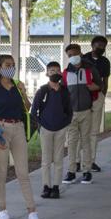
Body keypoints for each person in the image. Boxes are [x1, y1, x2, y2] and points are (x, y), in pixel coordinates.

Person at [0, 54, 40, 219]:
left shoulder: (16, 85)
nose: (11, 67)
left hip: (19, 127)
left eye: (13, 65)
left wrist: (23, 91)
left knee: (23, 172)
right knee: (1, 172)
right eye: (8, 64)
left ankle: (32, 210)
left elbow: (28, 108)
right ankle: (2, 208)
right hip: (1, 129)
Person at [31, 61, 73, 199]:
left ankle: (56, 187)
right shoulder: (42, 90)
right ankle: (46, 186)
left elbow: (69, 110)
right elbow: (34, 111)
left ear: (61, 72)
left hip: (61, 129)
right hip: (46, 129)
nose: (54, 73)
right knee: (46, 159)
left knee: (59, 158)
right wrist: (41, 124)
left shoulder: (65, 90)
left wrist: (65, 123)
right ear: (47, 73)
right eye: (51, 70)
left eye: (57, 70)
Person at [61, 43, 100, 185]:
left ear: (80, 53)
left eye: (75, 54)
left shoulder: (90, 70)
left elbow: (99, 85)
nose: (73, 57)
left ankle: (87, 171)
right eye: (70, 55)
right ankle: (71, 171)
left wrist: (90, 87)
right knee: (71, 142)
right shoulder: (65, 73)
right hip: (71, 113)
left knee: (86, 141)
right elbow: (62, 92)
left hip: (86, 111)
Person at [82, 35, 111, 172]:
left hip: (97, 97)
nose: (101, 48)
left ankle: (91, 161)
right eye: (98, 45)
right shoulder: (83, 59)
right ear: (92, 45)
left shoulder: (105, 61)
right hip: (83, 98)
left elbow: (105, 80)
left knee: (94, 131)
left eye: (103, 46)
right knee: (80, 130)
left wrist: (103, 94)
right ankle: (78, 161)